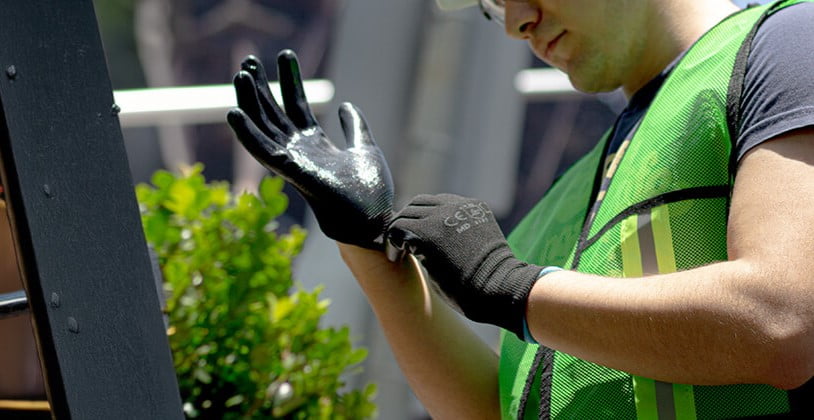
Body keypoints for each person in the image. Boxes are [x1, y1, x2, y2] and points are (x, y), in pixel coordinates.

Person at [227, 0, 814, 417]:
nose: (514, 22)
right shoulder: (566, 198)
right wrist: (366, 245)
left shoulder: (786, 43)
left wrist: (511, 286)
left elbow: (784, 323)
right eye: (492, 2)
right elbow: (495, 410)